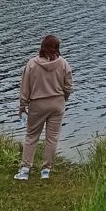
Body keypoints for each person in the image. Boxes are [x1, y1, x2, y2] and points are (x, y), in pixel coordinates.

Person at [15, 34, 73, 181]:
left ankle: (25, 169)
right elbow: (68, 87)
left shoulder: (32, 64)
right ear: (57, 48)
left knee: (31, 136)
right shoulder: (64, 64)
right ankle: (46, 170)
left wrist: (23, 106)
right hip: (57, 103)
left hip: (37, 104)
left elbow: (25, 88)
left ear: (42, 47)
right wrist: (63, 99)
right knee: (52, 138)